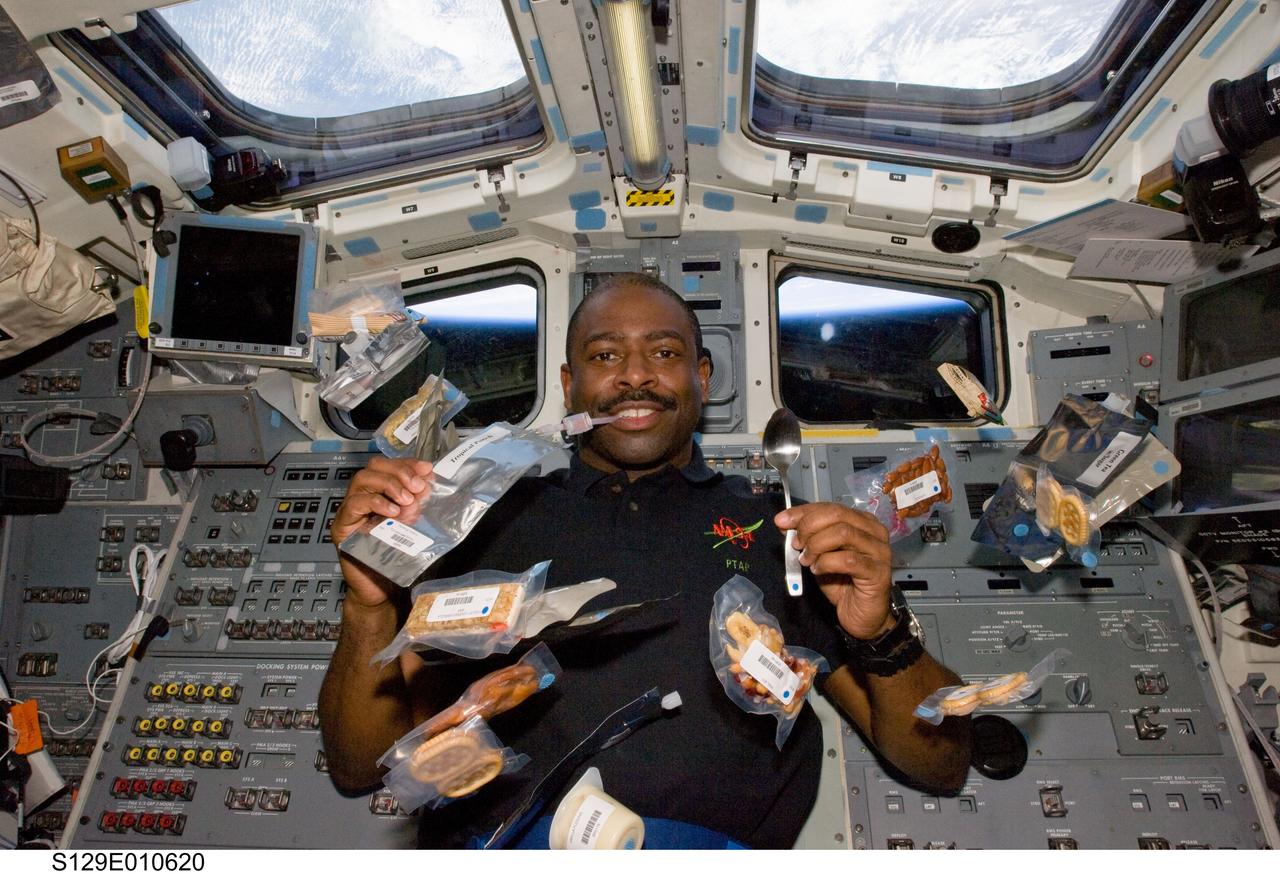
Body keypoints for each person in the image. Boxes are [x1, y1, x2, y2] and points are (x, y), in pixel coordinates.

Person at [319, 273, 971, 848]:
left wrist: (882, 631)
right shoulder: (483, 520)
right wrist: (369, 605)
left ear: (702, 378)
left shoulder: (783, 526)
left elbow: (940, 765)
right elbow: (359, 765)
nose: (635, 375)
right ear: (570, 385)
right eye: (606, 356)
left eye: (664, 352)